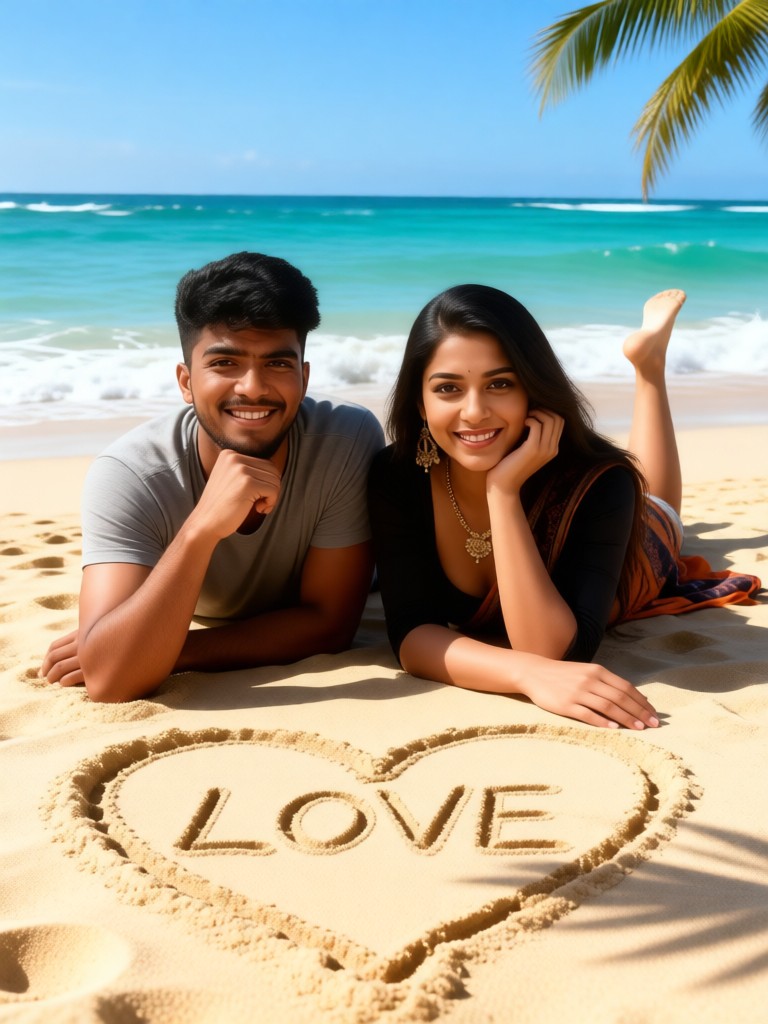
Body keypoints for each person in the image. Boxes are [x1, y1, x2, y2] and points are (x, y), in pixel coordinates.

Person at [368, 286, 761, 730]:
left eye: (500, 384)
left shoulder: (602, 483)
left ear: (532, 391)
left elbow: (551, 651)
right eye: (448, 389)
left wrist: (503, 492)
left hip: (632, 556)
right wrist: (526, 675)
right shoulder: (396, 475)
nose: (474, 411)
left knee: (661, 511)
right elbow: (411, 633)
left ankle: (649, 369)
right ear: (421, 402)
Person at [41, 252, 384, 702]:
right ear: (186, 381)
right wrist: (201, 528)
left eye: (278, 364)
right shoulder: (130, 474)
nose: (252, 387)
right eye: (225, 363)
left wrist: (170, 649)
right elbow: (110, 680)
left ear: (304, 377)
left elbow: (329, 623)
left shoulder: (345, 439)